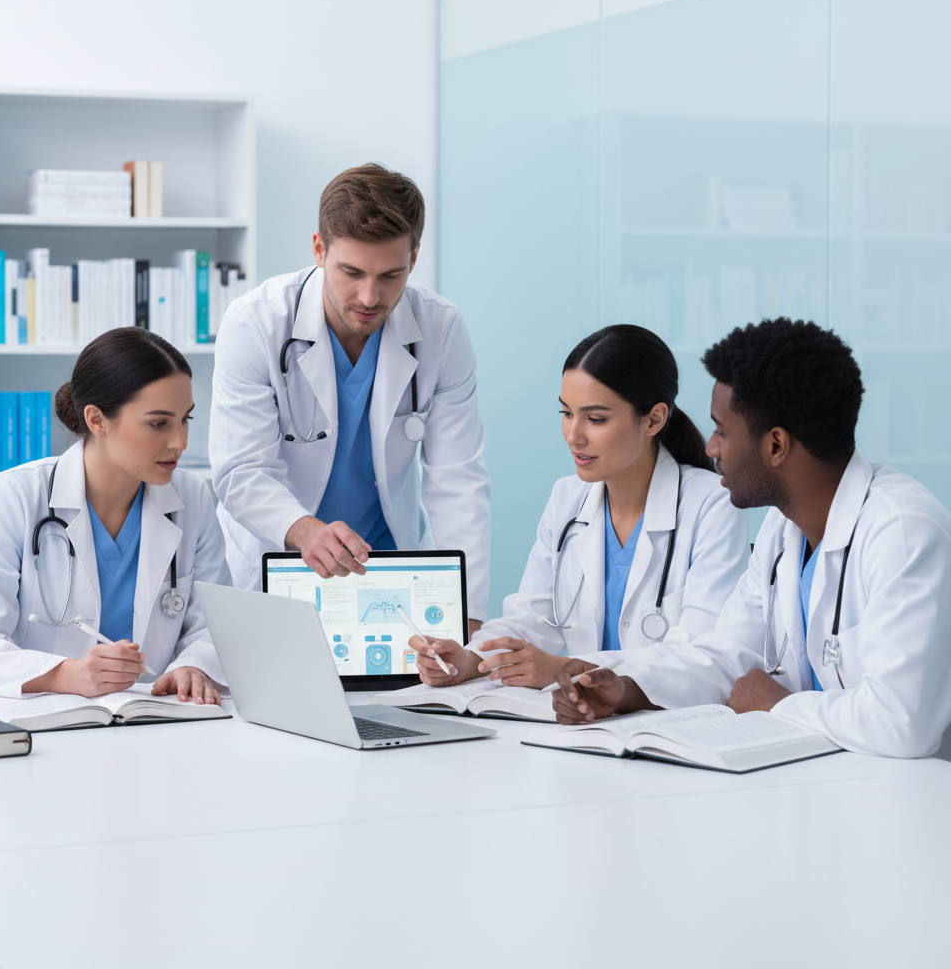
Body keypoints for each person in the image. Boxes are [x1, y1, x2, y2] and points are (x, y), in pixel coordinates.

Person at [551, 318, 951, 758]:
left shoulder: (902, 532)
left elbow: (903, 722)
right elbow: (726, 656)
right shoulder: (785, 531)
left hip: (903, 801)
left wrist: (777, 706)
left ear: (775, 446)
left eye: (722, 430)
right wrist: (626, 690)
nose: (710, 448)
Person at [209, 163, 491, 629]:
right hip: (276, 556)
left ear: (414, 258)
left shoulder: (441, 329)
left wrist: (468, 615)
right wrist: (306, 532)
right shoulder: (255, 322)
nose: (369, 296)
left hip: (386, 567)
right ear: (319, 249)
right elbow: (241, 470)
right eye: (351, 271)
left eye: (391, 275)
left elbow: (457, 481)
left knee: (395, 699)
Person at [410, 324, 749, 689]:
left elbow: (702, 652)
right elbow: (531, 618)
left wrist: (568, 667)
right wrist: (470, 659)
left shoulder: (712, 504)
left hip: (660, 721)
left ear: (653, 419)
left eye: (595, 419)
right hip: (576, 718)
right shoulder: (567, 498)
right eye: (567, 413)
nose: (574, 435)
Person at [0, 327, 232, 703]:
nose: (180, 441)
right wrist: (65, 674)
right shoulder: (15, 496)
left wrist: (196, 665)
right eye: (159, 423)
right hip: (46, 728)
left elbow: (214, 629)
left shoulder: (192, 499)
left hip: (156, 722)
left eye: (185, 419)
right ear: (97, 420)